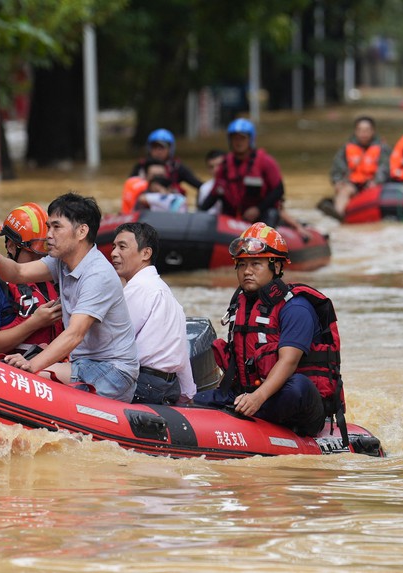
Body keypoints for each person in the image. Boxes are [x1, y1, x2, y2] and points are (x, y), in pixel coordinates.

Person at [0, 192, 139, 402]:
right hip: (83, 363)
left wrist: (31, 364)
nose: (49, 235)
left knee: (24, 379)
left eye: (56, 227)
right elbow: (18, 273)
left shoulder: (98, 275)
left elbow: (74, 334)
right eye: (48, 227)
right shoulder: (61, 261)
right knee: (15, 376)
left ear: (81, 231)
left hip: (113, 371)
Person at [192, 222, 345, 439]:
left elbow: (288, 362)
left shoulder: (296, 307)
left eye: (256, 264)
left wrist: (257, 398)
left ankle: (243, 413)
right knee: (193, 401)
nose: (247, 271)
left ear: (277, 267)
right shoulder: (240, 304)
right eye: (242, 265)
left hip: (294, 402)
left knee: (297, 387)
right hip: (247, 395)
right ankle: (237, 412)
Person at [110, 222, 196, 405]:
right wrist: (187, 394)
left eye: (122, 247)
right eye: (113, 247)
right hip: (169, 387)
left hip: (142, 384)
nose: (114, 253)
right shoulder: (165, 292)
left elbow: (111, 343)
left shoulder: (139, 288)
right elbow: (181, 352)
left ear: (146, 253)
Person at [0, 203, 63, 355]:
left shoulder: (52, 276)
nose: (41, 261)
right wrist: (34, 323)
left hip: (53, 360)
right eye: (34, 254)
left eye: (46, 254)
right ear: (11, 246)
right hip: (10, 365)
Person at [199, 118, 284, 226]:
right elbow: (215, 193)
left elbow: (278, 190)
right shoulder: (225, 165)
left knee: (271, 213)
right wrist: (198, 214)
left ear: (250, 139)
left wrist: (258, 209)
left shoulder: (265, 162)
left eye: (242, 138)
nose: (238, 142)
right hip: (234, 215)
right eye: (235, 138)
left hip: (261, 213)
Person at [320, 115, 390, 221]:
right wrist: (338, 182)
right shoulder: (346, 148)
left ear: (373, 131)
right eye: (360, 130)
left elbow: (385, 168)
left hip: (373, 185)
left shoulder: (383, 148)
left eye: (367, 130)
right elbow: (337, 168)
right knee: (344, 191)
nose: (363, 134)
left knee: (372, 192)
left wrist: (377, 181)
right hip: (353, 183)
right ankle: (339, 215)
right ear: (356, 131)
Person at [129, 128, 203, 195]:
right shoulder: (142, 166)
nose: (158, 151)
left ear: (170, 149)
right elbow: (131, 187)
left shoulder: (176, 166)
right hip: (146, 202)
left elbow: (199, 185)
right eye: (154, 147)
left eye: (162, 148)